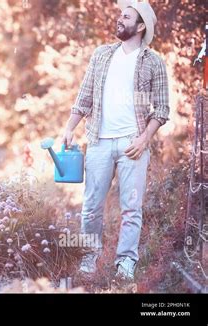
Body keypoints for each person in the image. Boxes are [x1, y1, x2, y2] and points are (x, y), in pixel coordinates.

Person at [61, 0, 170, 281]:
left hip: (132, 145)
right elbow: (84, 96)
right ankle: (89, 258)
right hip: (98, 141)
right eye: (120, 15)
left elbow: (162, 109)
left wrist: (145, 138)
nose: (120, 19)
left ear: (140, 26)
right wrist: (69, 126)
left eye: (126, 16)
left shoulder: (153, 62)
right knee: (91, 207)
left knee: (131, 208)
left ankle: (125, 263)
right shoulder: (101, 55)